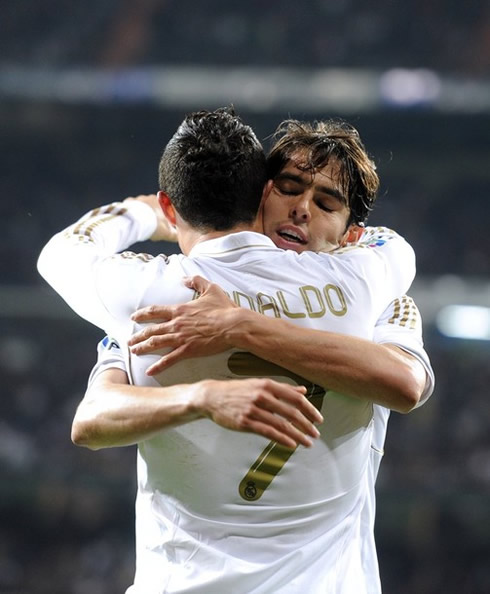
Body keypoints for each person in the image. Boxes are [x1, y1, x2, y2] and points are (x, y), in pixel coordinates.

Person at [38, 108, 420, 593]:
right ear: (261, 193)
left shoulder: (151, 295)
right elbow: (90, 419)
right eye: (289, 188)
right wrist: (204, 397)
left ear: (350, 234)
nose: (302, 207)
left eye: (326, 202)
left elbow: (63, 252)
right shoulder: (367, 287)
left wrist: (145, 214)